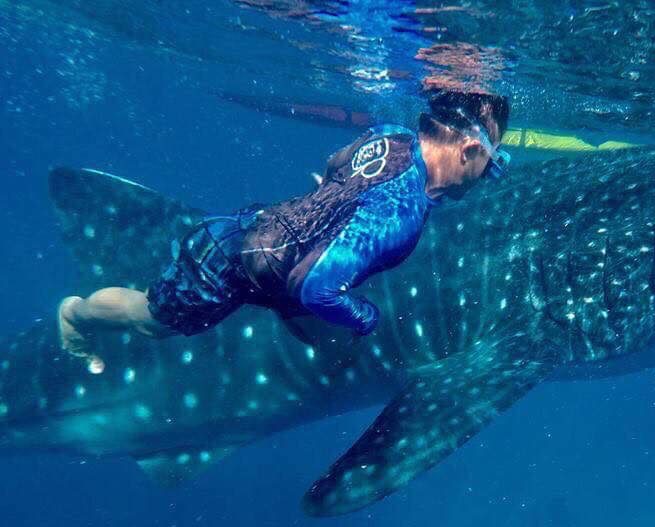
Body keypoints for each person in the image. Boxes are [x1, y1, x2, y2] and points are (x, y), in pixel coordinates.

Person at [58, 90, 510, 370]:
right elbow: (318, 292)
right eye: (493, 165)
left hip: (276, 247)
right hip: (235, 263)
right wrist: (367, 317)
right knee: (152, 321)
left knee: (332, 344)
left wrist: (332, 202)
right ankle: (75, 314)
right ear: (470, 150)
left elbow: (337, 165)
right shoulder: (402, 214)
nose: (488, 175)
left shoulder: (392, 135)